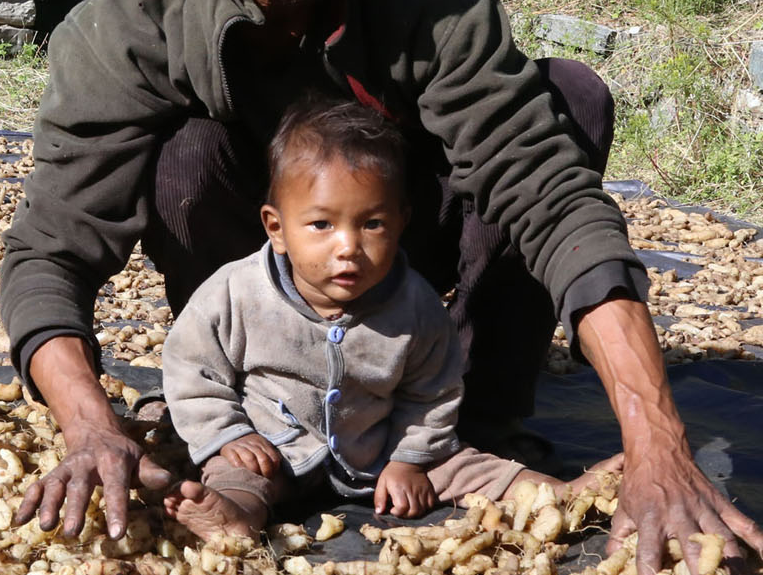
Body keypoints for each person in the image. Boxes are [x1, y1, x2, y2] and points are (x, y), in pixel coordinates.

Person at [1, 0, 763, 575]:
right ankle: (243, 416)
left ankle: (471, 421)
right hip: (255, 278)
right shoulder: (128, 22)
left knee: (570, 96)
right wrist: (90, 425)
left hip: (403, 238)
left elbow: (551, 197)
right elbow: (51, 252)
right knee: (184, 157)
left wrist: (658, 440)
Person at [160, 96, 610, 542]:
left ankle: (561, 494)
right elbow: (193, 369)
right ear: (276, 228)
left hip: (378, 448)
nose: (348, 247)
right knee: (237, 475)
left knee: (470, 466)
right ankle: (235, 516)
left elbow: (433, 392)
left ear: (400, 223)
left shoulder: (414, 305)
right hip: (273, 444)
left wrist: (408, 459)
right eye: (321, 225)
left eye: (372, 224)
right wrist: (227, 434)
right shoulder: (237, 292)